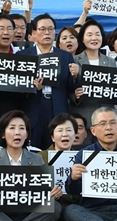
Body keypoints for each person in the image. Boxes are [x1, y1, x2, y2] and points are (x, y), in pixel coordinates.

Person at [0, 110, 62, 221]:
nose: (17, 132)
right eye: (12, 128)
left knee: (56, 207)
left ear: (27, 134)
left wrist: (54, 192)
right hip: (3, 212)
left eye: (22, 128)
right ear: (3, 134)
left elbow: (45, 191)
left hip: (30, 213)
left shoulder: (37, 158)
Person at [17, 14, 79, 149]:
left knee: (55, 149)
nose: (47, 33)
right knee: (33, 149)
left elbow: (70, 88)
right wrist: (33, 88)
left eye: (51, 29)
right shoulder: (23, 56)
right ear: (33, 33)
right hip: (33, 107)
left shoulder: (65, 56)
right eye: (43, 29)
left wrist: (74, 76)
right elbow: (16, 88)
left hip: (57, 107)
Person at [70, 20, 117, 137]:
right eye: (89, 35)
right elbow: (67, 88)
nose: (94, 38)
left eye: (98, 34)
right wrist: (74, 96)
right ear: (82, 39)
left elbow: (115, 88)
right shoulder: (74, 60)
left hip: (106, 120)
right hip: (82, 117)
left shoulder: (110, 61)